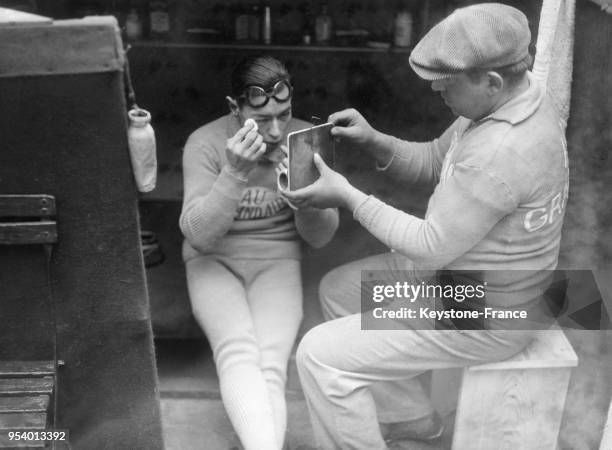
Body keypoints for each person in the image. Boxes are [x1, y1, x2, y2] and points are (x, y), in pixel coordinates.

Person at [280, 3, 569, 449]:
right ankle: (412, 420)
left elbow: (429, 246)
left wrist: (348, 197)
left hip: (485, 310)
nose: (438, 94)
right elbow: (438, 159)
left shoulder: (504, 148)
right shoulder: (509, 100)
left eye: (446, 87)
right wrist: (375, 140)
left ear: (491, 81)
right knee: (340, 290)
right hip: (464, 280)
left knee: (319, 356)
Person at [179, 55, 339, 450]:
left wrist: (305, 197)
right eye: (261, 118)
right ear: (235, 107)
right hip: (212, 259)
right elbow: (199, 235)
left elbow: (321, 239)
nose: (274, 129)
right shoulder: (206, 142)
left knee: (271, 363)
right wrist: (234, 172)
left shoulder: (303, 139)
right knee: (236, 349)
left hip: (278, 258)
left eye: (283, 114)